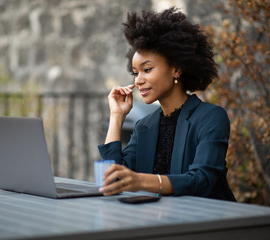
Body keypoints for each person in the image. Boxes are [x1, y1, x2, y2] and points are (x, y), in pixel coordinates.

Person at [98, 7, 236, 201]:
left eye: (147, 69)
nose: (138, 80)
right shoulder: (144, 126)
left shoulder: (210, 117)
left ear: (176, 69)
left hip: (206, 223)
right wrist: (116, 117)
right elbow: (115, 179)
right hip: (160, 223)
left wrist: (141, 182)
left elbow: (202, 180)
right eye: (135, 73)